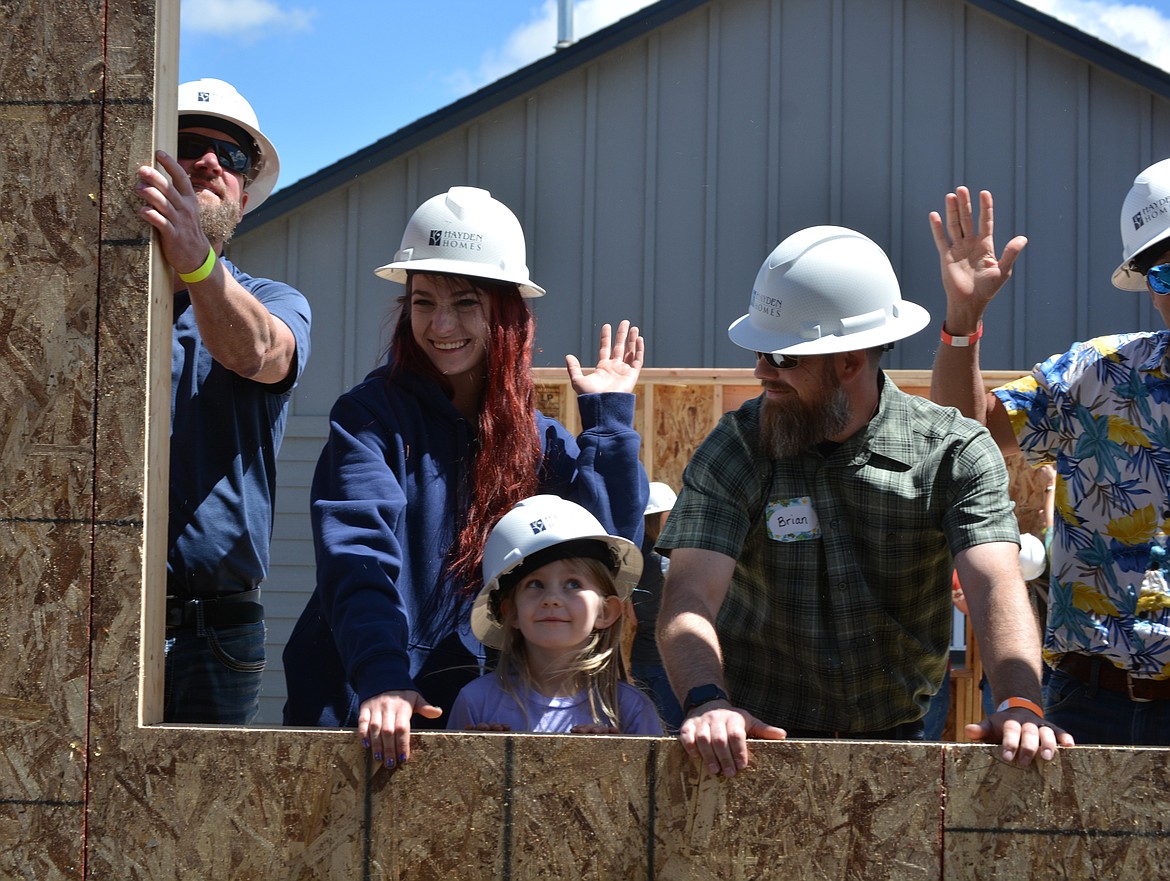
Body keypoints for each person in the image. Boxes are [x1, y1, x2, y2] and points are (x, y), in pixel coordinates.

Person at [655, 225, 1073, 778]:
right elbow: (688, 597)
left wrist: (1020, 702)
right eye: (760, 352)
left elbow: (995, 582)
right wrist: (707, 700)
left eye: (781, 357)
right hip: (756, 742)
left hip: (901, 740)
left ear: (850, 362)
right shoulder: (737, 447)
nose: (761, 371)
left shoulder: (951, 450)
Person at [282, 186, 648, 770]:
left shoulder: (541, 438)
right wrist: (381, 678)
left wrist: (606, 421)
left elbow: (601, 555)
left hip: (482, 718)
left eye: (467, 302)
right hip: (365, 705)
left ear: (507, 313)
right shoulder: (369, 417)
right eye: (423, 302)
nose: (441, 324)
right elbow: (357, 557)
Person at [929, 174, 1170, 745]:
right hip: (1085, 709)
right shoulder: (1101, 375)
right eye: (1164, 273)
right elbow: (962, 437)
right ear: (1147, 285)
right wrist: (962, 320)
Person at [135, 78, 312, 724]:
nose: (210, 162)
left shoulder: (276, 300)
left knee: (201, 824)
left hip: (220, 629)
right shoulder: (109, 302)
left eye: (232, 156)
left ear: (242, 194)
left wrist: (196, 265)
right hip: (106, 609)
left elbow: (260, 350)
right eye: (189, 144)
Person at [449, 495, 663, 734]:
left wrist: (616, 761)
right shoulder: (476, 703)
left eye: (573, 584)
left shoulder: (631, 710)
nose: (552, 599)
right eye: (535, 584)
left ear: (605, 611)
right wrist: (480, 757)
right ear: (511, 612)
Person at [629, 482, 685, 732]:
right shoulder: (665, 559)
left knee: (645, 731)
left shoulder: (630, 557)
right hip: (666, 662)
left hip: (640, 658)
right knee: (671, 732)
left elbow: (631, 617)